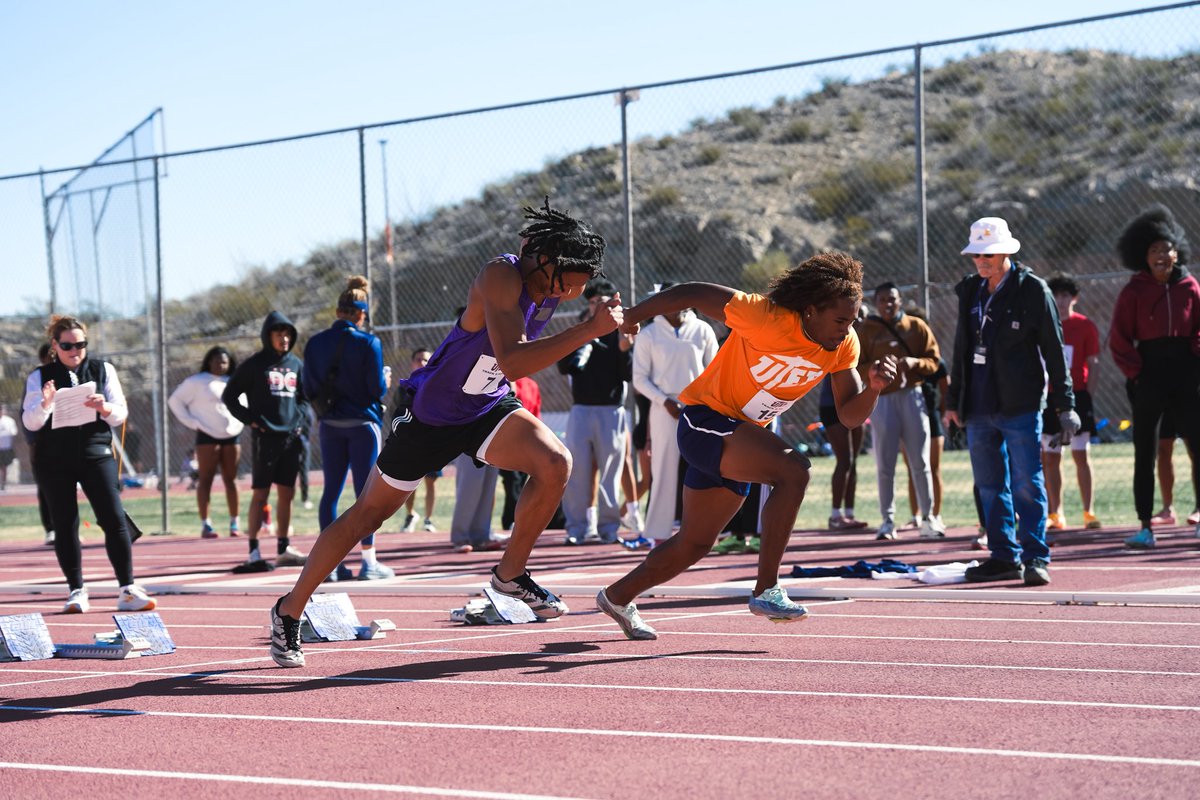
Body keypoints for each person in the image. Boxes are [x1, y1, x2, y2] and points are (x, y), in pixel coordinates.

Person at [268, 198, 613, 667]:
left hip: (486, 407)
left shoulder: (552, 286)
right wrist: (590, 330)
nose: (570, 294)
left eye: (579, 288)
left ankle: (510, 574)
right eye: (566, 284)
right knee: (367, 515)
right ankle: (289, 610)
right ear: (543, 259)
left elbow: (511, 365)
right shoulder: (502, 276)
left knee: (556, 463)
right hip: (432, 416)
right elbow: (513, 358)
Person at [595, 251, 897, 640]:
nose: (847, 328)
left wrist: (873, 389)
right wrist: (632, 316)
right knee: (794, 471)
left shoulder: (843, 346)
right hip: (705, 421)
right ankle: (766, 588)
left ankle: (617, 597)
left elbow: (851, 415)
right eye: (840, 319)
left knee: (695, 542)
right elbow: (692, 292)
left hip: (740, 435)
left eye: (853, 320)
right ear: (809, 310)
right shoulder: (766, 317)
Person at [945, 217, 1077, 587]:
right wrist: (954, 400)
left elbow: (1054, 350)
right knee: (989, 485)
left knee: (1026, 482)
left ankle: (1036, 557)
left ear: (1006, 251)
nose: (981, 261)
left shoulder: (1034, 290)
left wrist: (1064, 405)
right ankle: (1004, 556)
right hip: (978, 405)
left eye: (988, 254)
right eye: (976, 255)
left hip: (1020, 405)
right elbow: (961, 347)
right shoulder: (971, 291)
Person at [21, 315, 156, 614]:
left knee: (113, 517)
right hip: (53, 457)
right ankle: (76, 590)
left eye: (81, 344)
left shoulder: (102, 369)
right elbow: (29, 420)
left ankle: (127, 589)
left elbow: (120, 413)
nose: (75, 350)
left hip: (95, 451)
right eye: (67, 345)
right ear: (55, 346)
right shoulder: (39, 376)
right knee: (65, 522)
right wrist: (46, 404)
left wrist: (102, 407)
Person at [1110, 205, 1200, 549]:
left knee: (1197, 443)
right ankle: (1146, 525)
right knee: (1145, 449)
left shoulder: (1190, 286)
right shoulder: (1134, 291)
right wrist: (1136, 372)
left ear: (1177, 252)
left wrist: (1194, 355)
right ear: (1143, 257)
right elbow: (1119, 338)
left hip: (1187, 372)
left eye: (1166, 249)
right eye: (1154, 251)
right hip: (1148, 374)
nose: (1162, 256)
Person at [303, 275, 395, 580]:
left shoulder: (315, 343)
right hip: (362, 424)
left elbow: (308, 387)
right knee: (366, 494)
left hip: (329, 423)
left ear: (338, 310)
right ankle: (369, 562)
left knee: (330, 492)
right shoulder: (369, 342)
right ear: (361, 313)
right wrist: (386, 380)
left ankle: (328, 565)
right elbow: (376, 389)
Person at [631, 281, 719, 551]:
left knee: (706, 468)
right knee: (664, 469)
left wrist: (701, 402)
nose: (673, 305)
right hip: (663, 411)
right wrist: (664, 401)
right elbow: (639, 379)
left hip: (699, 409)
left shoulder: (702, 329)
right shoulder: (649, 335)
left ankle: (707, 529)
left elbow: (714, 370)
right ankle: (658, 533)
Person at [222, 311, 310, 569]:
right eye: (278, 333)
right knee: (260, 494)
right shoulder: (254, 364)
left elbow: (304, 398)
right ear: (267, 336)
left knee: (287, 493)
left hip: (290, 439)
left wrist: (299, 418)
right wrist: (252, 420)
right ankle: (253, 551)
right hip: (265, 439)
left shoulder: (296, 364)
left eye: (287, 334)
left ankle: (284, 548)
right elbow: (230, 397)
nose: (284, 338)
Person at [857, 282, 943, 540]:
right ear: (877, 302)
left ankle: (928, 518)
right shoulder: (867, 330)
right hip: (882, 399)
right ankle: (887, 520)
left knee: (920, 461)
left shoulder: (916, 326)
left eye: (892, 299)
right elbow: (855, 365)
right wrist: (874, 370)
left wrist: (915, 362)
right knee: (885, 463)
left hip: (912, 397)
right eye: (882, 300)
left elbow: (935, 361)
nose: (888, 304)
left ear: (900, 301)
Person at [557, 277, 634, 545]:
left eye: (601, 302)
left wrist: (625, 349)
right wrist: (582, 340)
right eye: (591, 302)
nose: (595, 307)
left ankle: (609, 529)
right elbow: (564, 367)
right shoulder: (580, 331)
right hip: (580, 411)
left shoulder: (620, 335)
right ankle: (577, 529)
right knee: (576, 472)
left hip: (611, 412)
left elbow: (628, 374)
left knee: (610, 474)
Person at [1040, 274, 1103, 533]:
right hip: (1048, 398)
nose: (1062, 300)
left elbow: (1094, 362)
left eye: (1066, 295)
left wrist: (1087, 394)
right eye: (1057, 295)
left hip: (1077, 395)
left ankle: (1088, 511)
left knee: (1081, 455)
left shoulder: (1085, 325)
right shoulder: (1044, 325)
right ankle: (1056, 512)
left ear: (1074, 298)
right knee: (1051, 458)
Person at [168, 345, 245, 538]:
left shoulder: (234, 381)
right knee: (206, 479)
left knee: (231, 479)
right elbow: (175, 401)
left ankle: (235, 523)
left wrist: (240, 423)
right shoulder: (197, 382)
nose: (221, 364)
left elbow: (245, 404)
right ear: (209, 361)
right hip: (207, 437)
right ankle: (206, 524)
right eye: (217, 360)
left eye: (225, 361)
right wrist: (192, 423)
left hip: (231, 435)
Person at [819, 374, 867, 530]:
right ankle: (835, 516)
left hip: (858, 404)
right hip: (832, 406)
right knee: (845, 461)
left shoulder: (865, 350)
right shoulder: (840, 348)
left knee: (853, 462)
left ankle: (849, 514)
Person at [400, 348, 440, 533]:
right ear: (412, 363)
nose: (422, 363)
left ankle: (428, 519)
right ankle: (410, 515)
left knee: (431, 481)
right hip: (411, 441)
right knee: (410, 481)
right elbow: (397, 412)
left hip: (433, 441)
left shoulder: (439, 383)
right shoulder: (405, 386)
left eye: (426, 360)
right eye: (418, 360)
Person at [499, 375, 542, 531]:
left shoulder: (532, 385)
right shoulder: (505, 380)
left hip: (527, 441)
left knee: (524, 481)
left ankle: (520, 520)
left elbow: (536, 414)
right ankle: (510, 520)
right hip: (507, 440)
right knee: (512, 481)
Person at [25, 343, 56, 545]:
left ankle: (68, 527)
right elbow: (27, 414)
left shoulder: (74, 375)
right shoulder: (37, 378)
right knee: (46, 488)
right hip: (44, 443)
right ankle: (51, 529)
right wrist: (32, 442)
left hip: (70, 442)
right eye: (49, 358)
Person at [1151, 410, 1199, 527]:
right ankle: (1167, 509)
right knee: (1162, 449)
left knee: (1195, 449)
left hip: (1188, 398)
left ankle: (1199, 508)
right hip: (1163, 401)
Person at [0, 404, 17, 491]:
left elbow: (13, 433)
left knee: (4, 467)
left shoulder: (9, 421)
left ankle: (3, 483)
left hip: (6, 448)